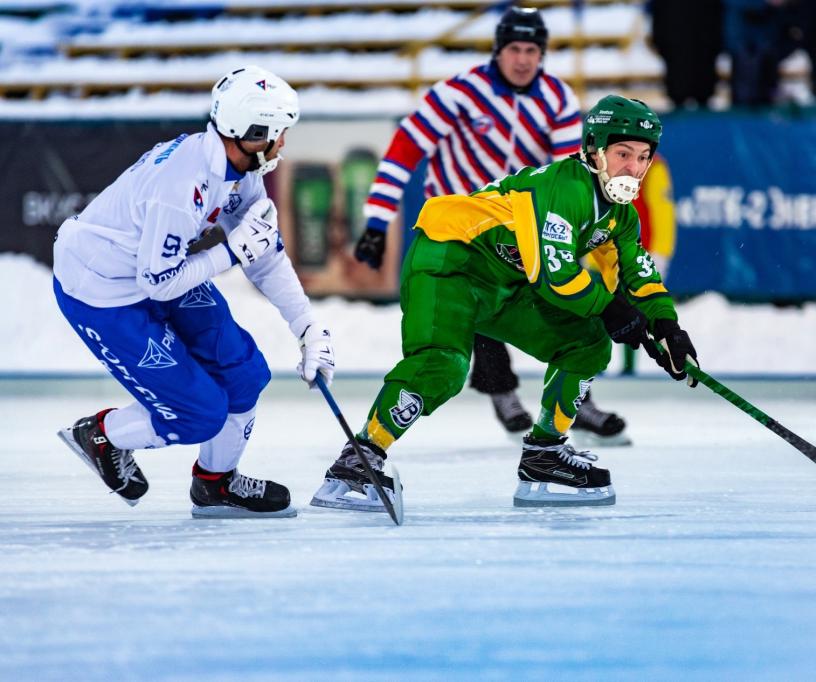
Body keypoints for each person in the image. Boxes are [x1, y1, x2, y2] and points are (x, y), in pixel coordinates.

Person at [311, 95, 699, 512]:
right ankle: (358, 461)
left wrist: (669, 329)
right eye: (623, 153)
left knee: (587, 343)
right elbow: (557, 276)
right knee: (444, 364)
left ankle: (544, 455)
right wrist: (611, 309)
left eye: (643, 157)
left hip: (507, 283)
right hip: (450, 258)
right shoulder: (564, 187)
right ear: (594, 150)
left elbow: (640, 275)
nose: (634, 168)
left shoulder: (621, 215)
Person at [53, 66, 335, 518]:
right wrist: (230, 252)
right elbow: (160, 282)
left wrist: (309, 328)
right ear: (252, 132)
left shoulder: (239, 168)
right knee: (197, 415)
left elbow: (263, 251)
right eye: (279, 133)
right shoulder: (181, 187)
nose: (283, 143)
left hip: (152, 272)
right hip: (102, 291)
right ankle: (101, 434)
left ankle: (215, 485)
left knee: (245, 375)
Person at [351, 6, 630, 444]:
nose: (523, 59)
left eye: (532, 50)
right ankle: (504, 395)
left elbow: (575, 174)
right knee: (475, 306)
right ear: (499, 51)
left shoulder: (556, 99)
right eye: (515, 49)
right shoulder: (459, 92)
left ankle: (578, 402)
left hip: (521, 230)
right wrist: (377, 219)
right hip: (458, 232)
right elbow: (406, 149)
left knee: (568, 305)